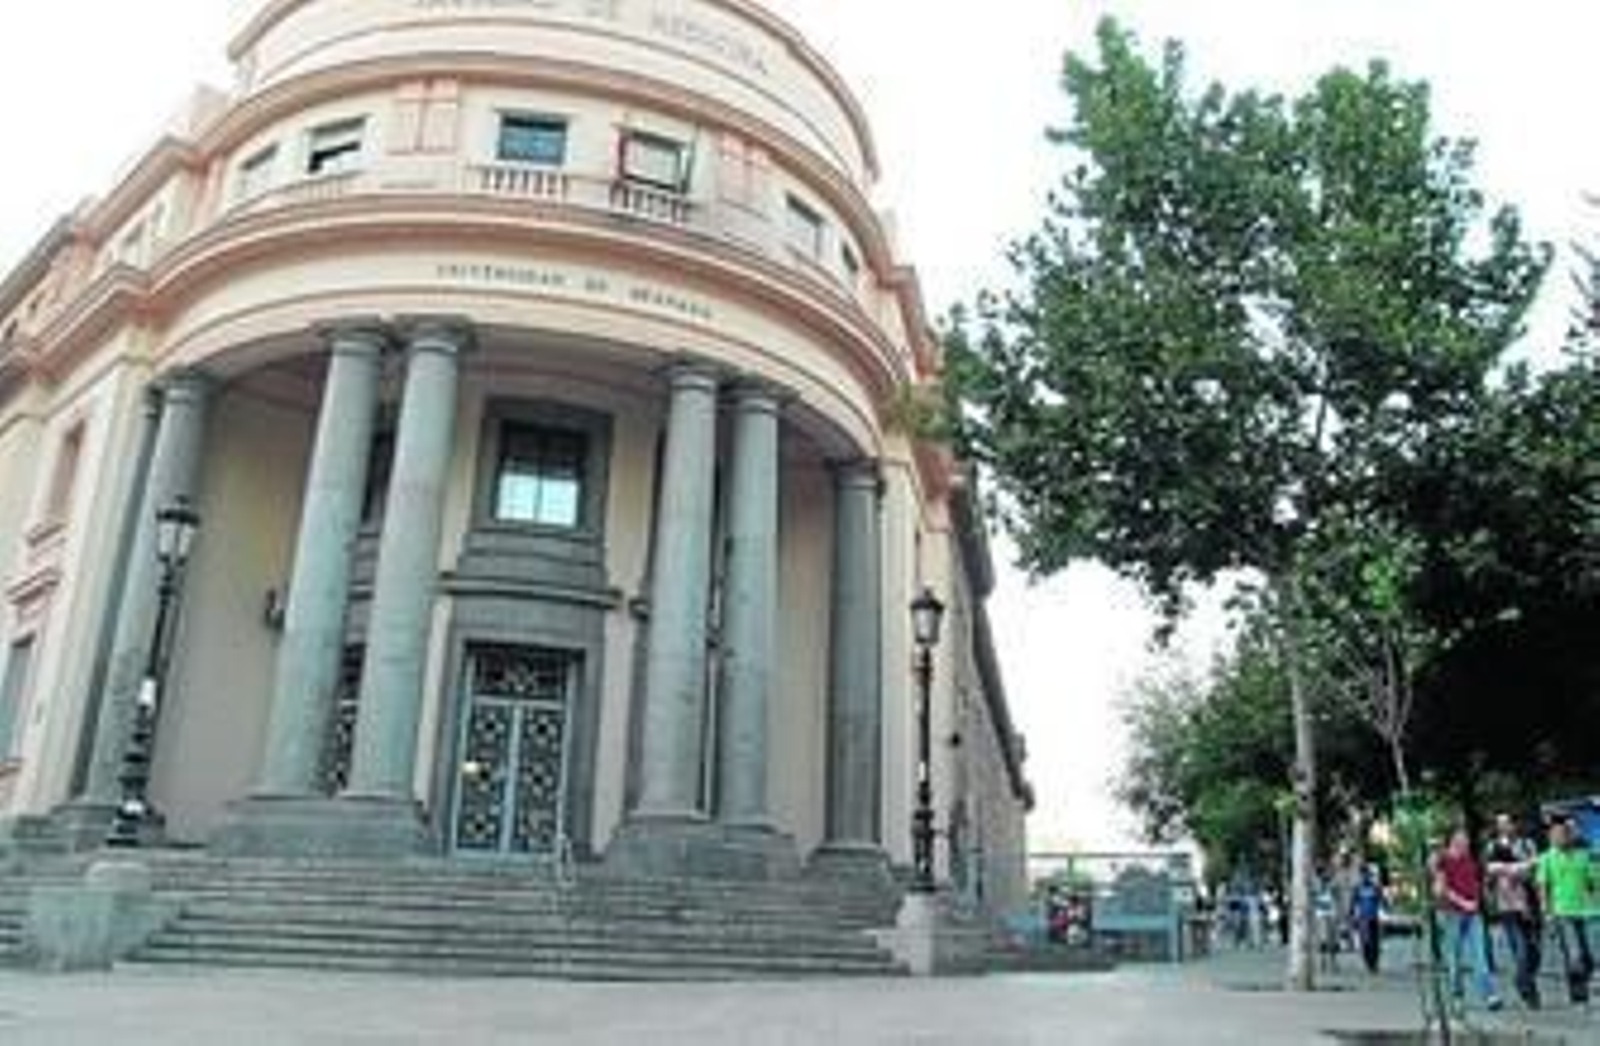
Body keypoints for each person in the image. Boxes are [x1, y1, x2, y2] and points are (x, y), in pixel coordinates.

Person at [1433, 826, 1503, 1011]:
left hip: (1473, 915)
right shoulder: (1443, 861)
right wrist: (1463, 902)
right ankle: (1457, 995)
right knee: (1454, 959)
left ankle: (1490, 995)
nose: (1465, 841)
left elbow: (1486, 875)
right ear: (1452, 840)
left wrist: (1512, 867)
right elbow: (1440, 889)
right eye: (1461, 838)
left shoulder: (1471, 860)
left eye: (1466, 838)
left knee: (1480, 957)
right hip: (1451, 915)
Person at [1484, 812, 1543, 1008]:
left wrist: (1509, 869)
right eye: (1500, 824)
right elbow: (1490, 870)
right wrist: (1519, 867)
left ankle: (1523, 978)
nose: (1504, 827)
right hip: (1507, 905)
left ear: (1514, 825)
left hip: (1530, 903)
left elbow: (1535, 867)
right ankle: (1528, 989)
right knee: (1520, 948)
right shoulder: (1492, 846)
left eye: (1507, 823)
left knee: (1535, 950)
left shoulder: (1527, 844)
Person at [1537, 817, 1595, 1005]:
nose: (1557, 838)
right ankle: (1578, 994)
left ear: (1568, 836)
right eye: (1553, 835)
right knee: (1574, 954)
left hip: (1586, 911)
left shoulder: (1583, 856)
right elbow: (1543, 886)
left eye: (1561, 834)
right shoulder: (1546, 858)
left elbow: (1592, 882)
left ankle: (1584, 981)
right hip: (1562, 913)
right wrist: (1546, 912)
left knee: (1589, 955)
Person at [1349, 864, 1387, 974]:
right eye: (1363, 874)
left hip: (1374, 917)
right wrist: (1352, 914)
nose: (1365, 876)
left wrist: (1383, 912)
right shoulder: (1358, 888)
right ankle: (1369, 962)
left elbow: (1382, 901)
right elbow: (1353, 902)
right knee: (1365, 942)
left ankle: (1374, 963)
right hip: (1363, 918)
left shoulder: (1375, 887)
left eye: (1367, 874)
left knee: (1375, 942)